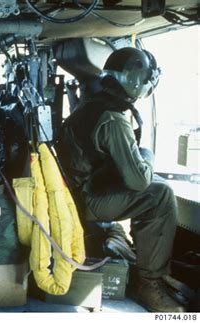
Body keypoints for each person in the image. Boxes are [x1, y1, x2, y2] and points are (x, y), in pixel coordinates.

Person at [57, 47, 184, 312]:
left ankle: (145, 263)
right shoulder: (113, 118)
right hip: (87, 201)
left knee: (155, 185)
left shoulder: (93, 104)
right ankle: (150, 284)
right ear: (135, 81)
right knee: (160, 195)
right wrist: (146, 156)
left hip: (76, 194)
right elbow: (140, 182)